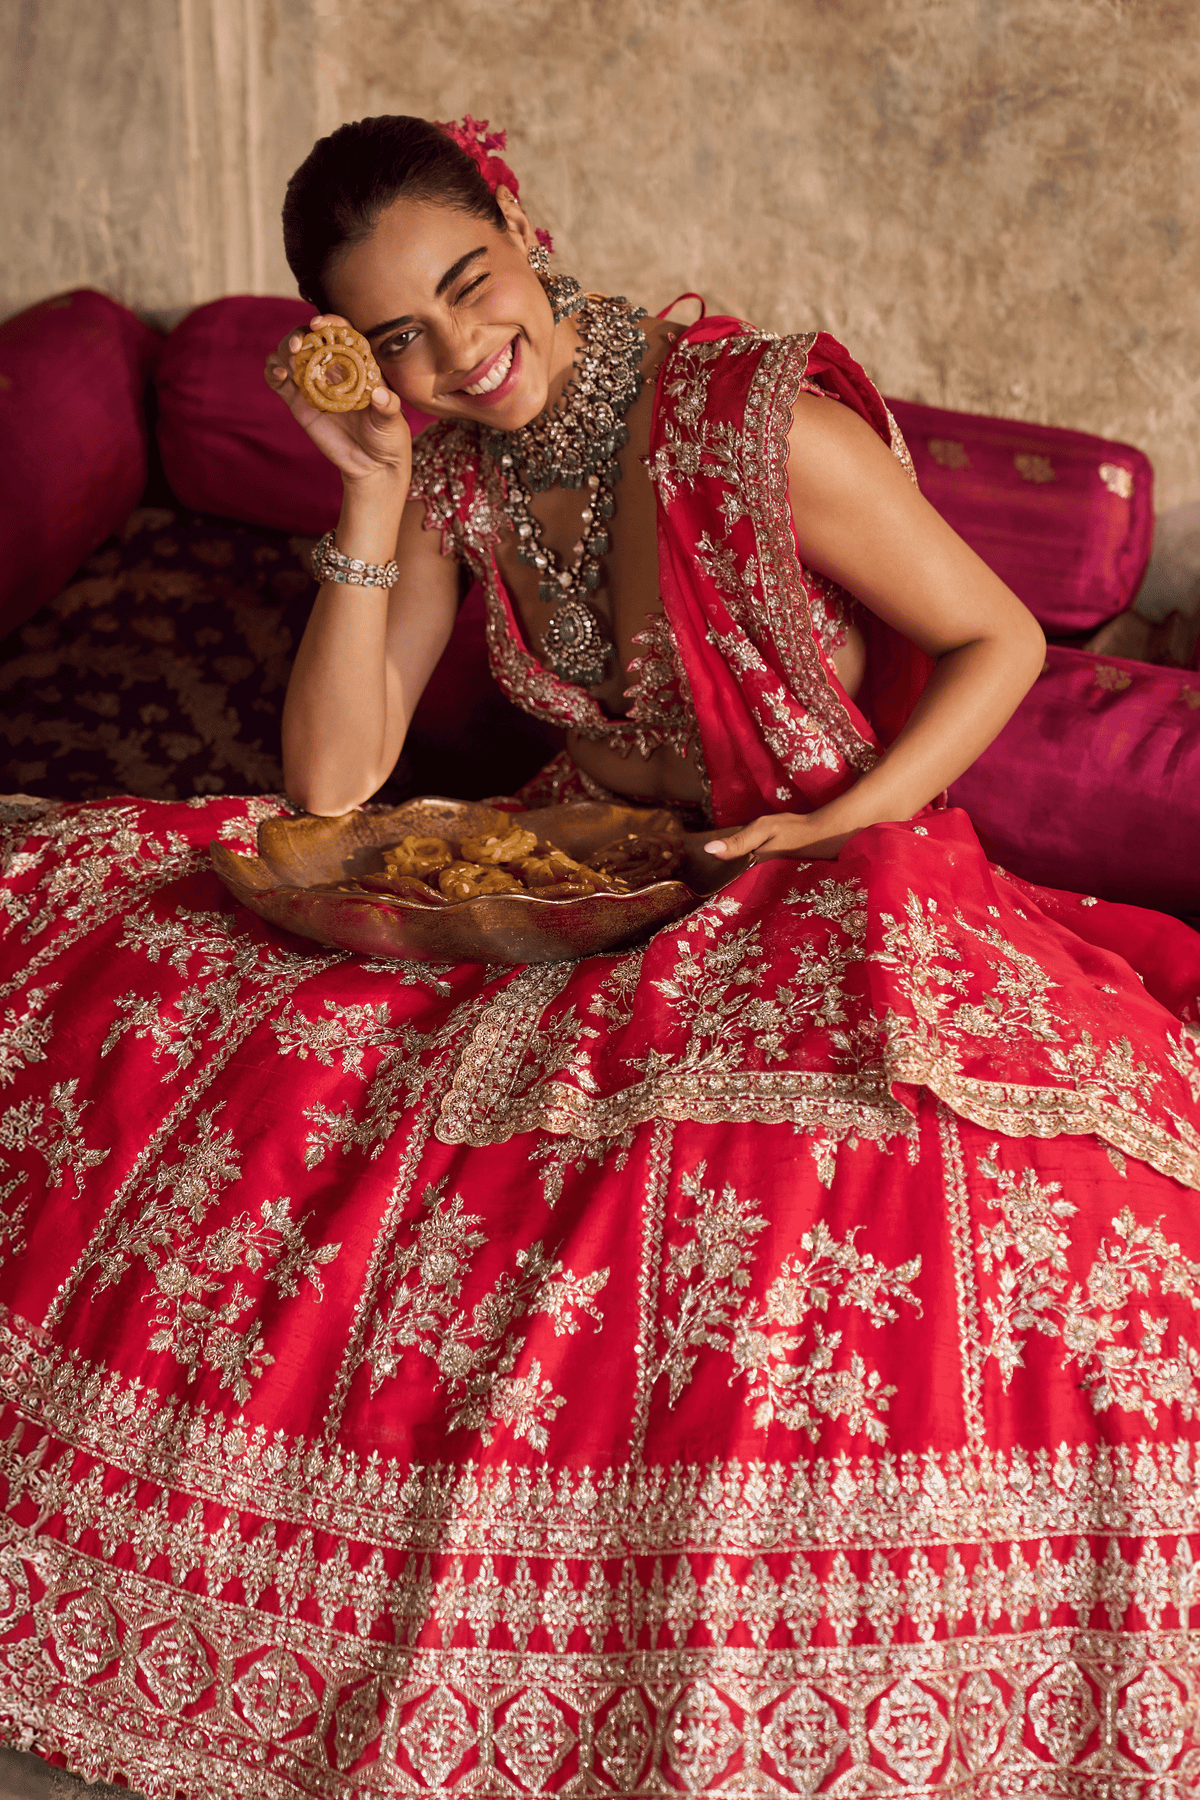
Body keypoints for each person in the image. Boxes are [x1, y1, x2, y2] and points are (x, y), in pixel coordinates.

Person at [0, 114, 1198, 1796]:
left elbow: (993, 635)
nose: (456, 353)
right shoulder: (456, 469)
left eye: (468, 284)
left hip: (827, 869)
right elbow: (335, 784)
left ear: (522, 218)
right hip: (583, 876)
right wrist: (369, 484)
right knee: (157, 971)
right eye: (399, 336)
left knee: (792, 1216)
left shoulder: (747, 417)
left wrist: (833, 825)